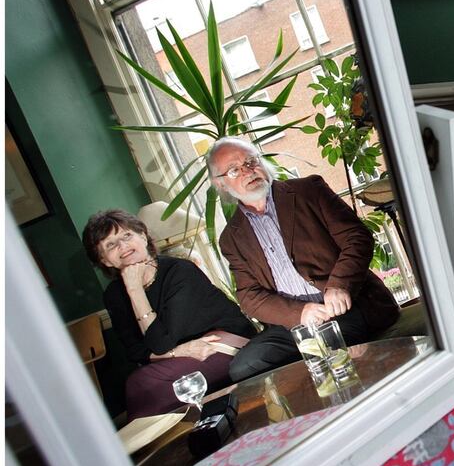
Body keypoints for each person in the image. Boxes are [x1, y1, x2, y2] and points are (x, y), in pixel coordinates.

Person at [207, 137, 400, 382]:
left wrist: (339, 285)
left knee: (329, 347)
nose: (248, 170)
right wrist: (301, 312)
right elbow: (249, 296)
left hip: (346, 307)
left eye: (251, 161)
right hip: (296, 321)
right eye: (235, 169)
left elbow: (357, 238)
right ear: (221, 184)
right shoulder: (232, 238)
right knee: (244, 367)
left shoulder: (308, 191)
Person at [82, 210, 255, 420]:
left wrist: (135, 290)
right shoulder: (113, 295)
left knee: (144, 384)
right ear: (105, 260)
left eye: (126, 236)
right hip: (183, 355)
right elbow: (135, 351)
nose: (122, 246)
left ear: (143, 236)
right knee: (144, 385)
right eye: (110, 245)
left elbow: (160, 344)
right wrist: (178, 352)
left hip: (224, 346)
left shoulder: (179, 271)